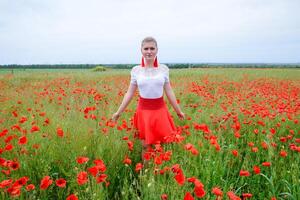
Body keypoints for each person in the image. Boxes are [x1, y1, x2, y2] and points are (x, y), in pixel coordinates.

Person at [112, 36, 184, 147]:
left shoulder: (164, 69)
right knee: (145, 146)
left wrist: (178, 111)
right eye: (146, 49)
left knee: (162, 144)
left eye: (152, 48)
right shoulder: (136, 70)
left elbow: (169, 91)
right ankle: (146, 165)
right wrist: (118, 112)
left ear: (157, 50)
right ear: (141, 50)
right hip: (143, 111)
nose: (149, 52)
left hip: (160, 111)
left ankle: (159, 165)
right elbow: (129, 93)